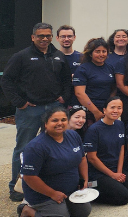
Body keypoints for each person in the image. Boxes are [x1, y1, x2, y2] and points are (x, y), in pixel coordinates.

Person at [1, 23, 71, 201]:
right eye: (40, 36)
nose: (44, 39)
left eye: (47, 35)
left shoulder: (58, 55)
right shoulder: (21, 57)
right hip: (30, 111)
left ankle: (47, 184)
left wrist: (64, 97)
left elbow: (66, 80)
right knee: (24, 149)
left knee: (54, 147)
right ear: (33, 37)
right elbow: (7, 80)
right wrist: (20, 102)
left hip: (54, 108)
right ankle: (17, 188)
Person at [21, 107, 91, 217]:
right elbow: (29, 177)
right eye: (55, 120)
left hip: (71, 190)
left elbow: (82, 159)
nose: (60, 123)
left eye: (63, 120)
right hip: (44, 195)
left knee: (84, 212)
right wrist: (52, 193)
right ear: (45, 124)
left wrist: (85, 180)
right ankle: (27, 210)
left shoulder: (73, 136)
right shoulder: (36, 146)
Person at [83, 97, 128, 205]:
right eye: (112, 107)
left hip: (115, 169)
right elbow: (92, 158)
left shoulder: (119, 125)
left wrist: (119, 172)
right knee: (124, 198)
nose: (116, 111)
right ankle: (94, 194)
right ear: (104, 110)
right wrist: (112, 175)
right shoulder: (94, 130)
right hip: (99, 173)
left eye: (119, 108)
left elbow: (121, 148)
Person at [72, 38, 115, 124]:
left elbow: (114, 88)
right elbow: (79, 93)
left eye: (104, 51)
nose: (101, 54)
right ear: (90, 54)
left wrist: (109, 107)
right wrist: (96, 112)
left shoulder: (110, 67)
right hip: (89, 110)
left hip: (106, 110)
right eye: (97, 51)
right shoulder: (83, 69)